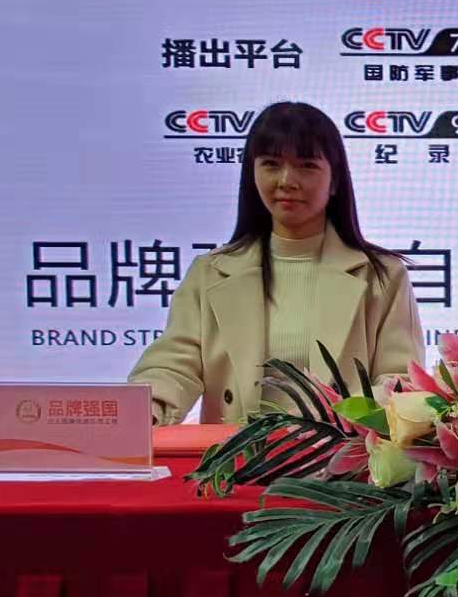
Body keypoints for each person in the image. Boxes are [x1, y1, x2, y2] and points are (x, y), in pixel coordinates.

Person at [130, 101, 423, 425]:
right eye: (271, 164)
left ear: (335, 180)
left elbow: (400, 380)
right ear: (252, 174)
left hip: (340, 453)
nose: (286, 181)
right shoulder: (211, 272)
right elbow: (174, 363)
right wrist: (146, 410)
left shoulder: (382, 275)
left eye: (306, 165)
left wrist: (340, 420)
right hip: (235, 453)